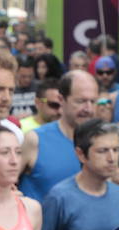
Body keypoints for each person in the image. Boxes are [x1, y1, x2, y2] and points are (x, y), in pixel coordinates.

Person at [19, 71, 98, 202]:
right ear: (61, 100)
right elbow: (5, 185)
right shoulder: (35, 140)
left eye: (93, 101)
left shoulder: (101, 142)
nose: (88, 108)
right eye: (81, 101)